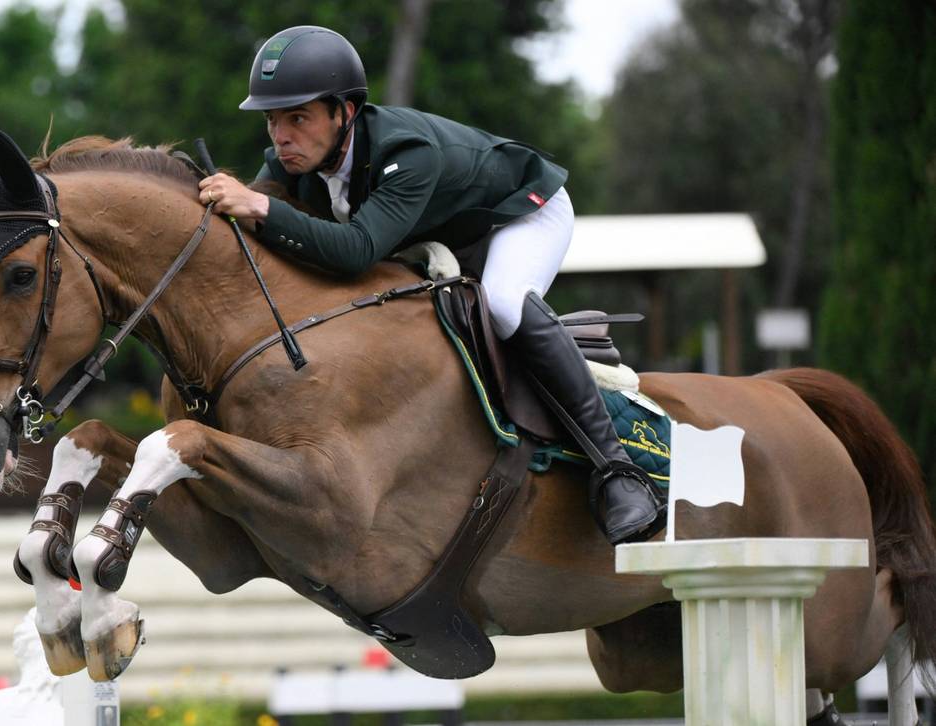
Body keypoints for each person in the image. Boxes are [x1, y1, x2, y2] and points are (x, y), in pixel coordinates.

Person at [198, 25, 659, 544]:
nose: (281, 136)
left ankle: (618, 473)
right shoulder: (292, 162)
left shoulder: (408, 152)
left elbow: (354, 252)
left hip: (521, 213)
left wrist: (260, 206)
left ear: (344, 112)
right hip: (450, 233)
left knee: (504, 305)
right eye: (272, 120)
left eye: (298, 117)